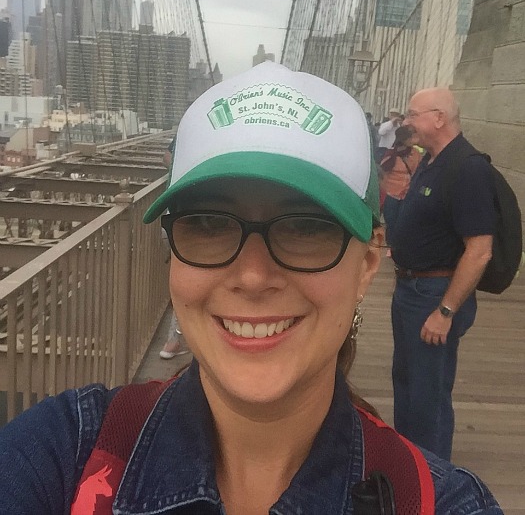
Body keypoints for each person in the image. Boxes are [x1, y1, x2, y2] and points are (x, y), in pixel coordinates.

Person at [0, 64, 502, 514]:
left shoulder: (446, 503)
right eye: (208, 223)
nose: (253, 277)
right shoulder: (65, 451)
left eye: (306, 228)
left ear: (368, 263)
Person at [389, 87, 495, 461]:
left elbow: (479, 250)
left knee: (427, 396)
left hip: (434, 295)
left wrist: (445, 311)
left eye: (413, 114)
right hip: (409, 289)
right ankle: (407, 464)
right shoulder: (432, 161)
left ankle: (431, 482)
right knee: (406, 384)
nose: (406, 122)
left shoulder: (468, 168)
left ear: (439, 118)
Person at [159, 136, 191, 359]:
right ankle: (174, 340)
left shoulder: (188, 129)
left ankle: (174, 340)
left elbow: (167, 156)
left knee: (188, 279)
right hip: (185, 221)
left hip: (176, 215)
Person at [379, 124, 423, 243]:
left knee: (403, 222)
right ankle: (391, 245)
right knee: (391, 221)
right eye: (409, 138)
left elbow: (420, 171)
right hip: (392, 194)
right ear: (403, 139)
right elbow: (383, 173)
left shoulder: (415, 154)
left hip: (408, 194)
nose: (412, 140)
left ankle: (400, 245)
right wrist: (383, 193)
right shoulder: (391, 155)